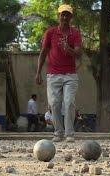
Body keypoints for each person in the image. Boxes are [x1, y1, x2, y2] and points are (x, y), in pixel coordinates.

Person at [35, 4, 82, 142]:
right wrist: (38, 72)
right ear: (59, 16)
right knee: (54, 103)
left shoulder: (75, 33)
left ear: (71, 17)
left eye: (67, 14)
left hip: (70, 75)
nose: (65, 17)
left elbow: (79, 54)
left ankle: (69, 134)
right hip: (53, 74)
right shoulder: (50, 32)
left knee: (68, 103)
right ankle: (58, 132)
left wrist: (69, 49)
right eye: (62, 14)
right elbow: (43, 53)